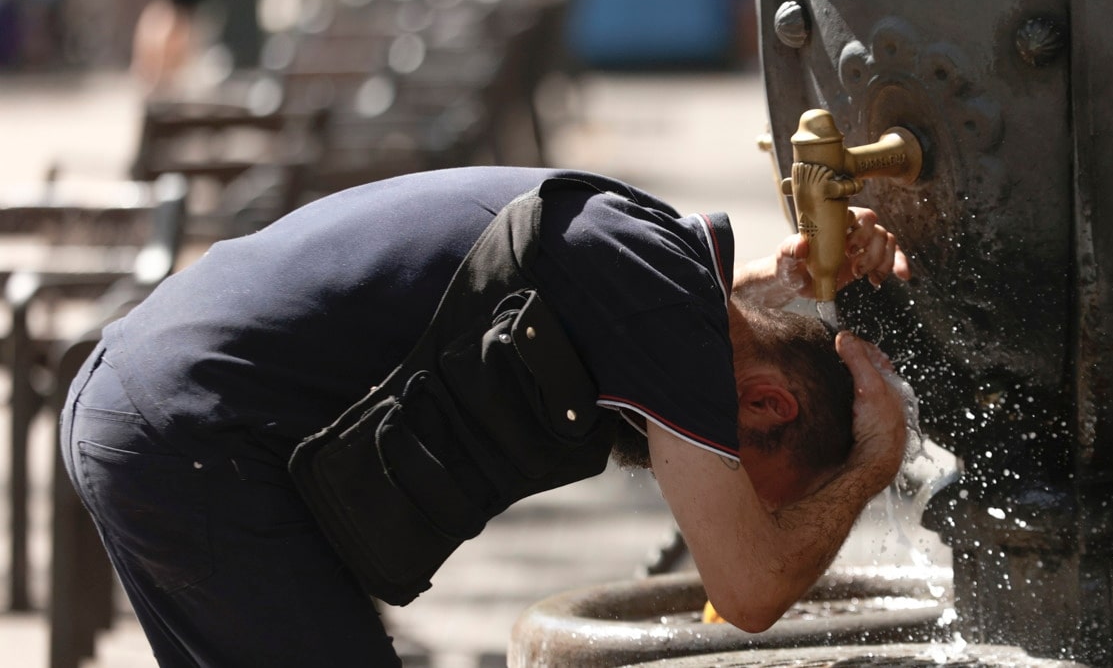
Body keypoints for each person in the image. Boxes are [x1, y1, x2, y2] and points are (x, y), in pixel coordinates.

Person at [59, 166, 911, 667]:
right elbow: (752, 590)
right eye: (767, 498)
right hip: (191, 433)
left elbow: (655, 325)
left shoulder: (653, 275)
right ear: (767, 404)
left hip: (139, 398)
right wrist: (873, 461)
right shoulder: (663, 308)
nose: (732, 510)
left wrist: (778, 282)